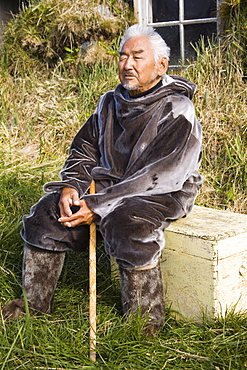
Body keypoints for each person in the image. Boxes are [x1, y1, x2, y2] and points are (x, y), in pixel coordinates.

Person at [2, 24, 202, 336]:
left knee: (129, 226)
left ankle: (144, 325)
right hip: (106, 189)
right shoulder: (109, 102)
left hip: (161, 191)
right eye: (123, 57)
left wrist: (98, 206)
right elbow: (84, 149)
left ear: (161, 65)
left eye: (137, 56)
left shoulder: (178, 109)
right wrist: (73, 186)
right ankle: (34, 307)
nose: (128, 64)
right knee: (47, 214)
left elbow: (161, 174)